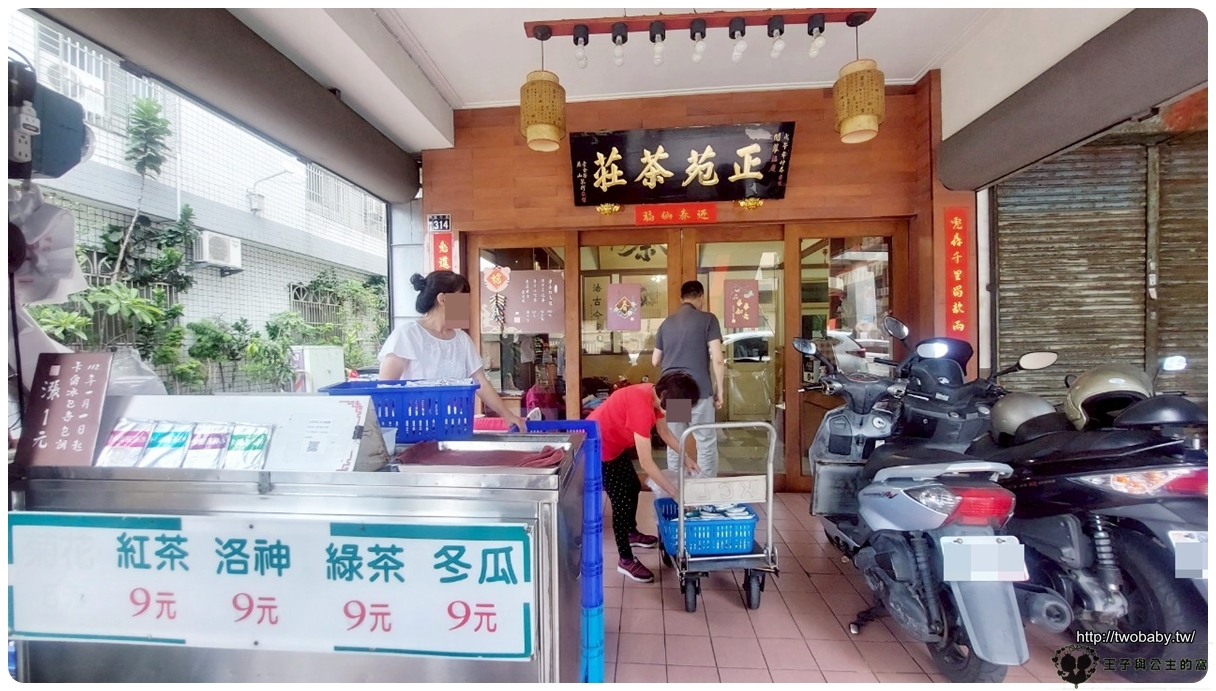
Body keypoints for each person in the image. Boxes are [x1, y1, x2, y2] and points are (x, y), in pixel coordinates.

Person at [587, 371, 701, 583]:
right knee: (621, 502)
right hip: (597, 449)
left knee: (631, 486)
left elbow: (665, 433)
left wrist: (685, 457)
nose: (681, 411)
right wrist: (675, 493)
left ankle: (631, 532)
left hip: (614, 446)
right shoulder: (642, 409)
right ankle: (625, 559)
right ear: (667, 397)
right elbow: (647, 463)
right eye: (681, 405)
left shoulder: (653, 395)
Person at [378, 271, 527, 432]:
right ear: (442, 299)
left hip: (455, 429)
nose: (468, 307)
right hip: (413, 430)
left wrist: (507, 414)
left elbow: (480, 382)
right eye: (463, 301)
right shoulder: (407, 334)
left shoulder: (462, 339)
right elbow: (385, 389)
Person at [652, 280, 725, 477]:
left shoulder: (667, 323)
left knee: (676, 441)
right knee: (705, 442)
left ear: (681, 298)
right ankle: (704, 492)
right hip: (700, 391)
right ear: (701, 297)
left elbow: (655, 360)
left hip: (675, 393)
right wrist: (720, 391)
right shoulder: (708, 320)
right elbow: (718, 359)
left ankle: (678, 490)